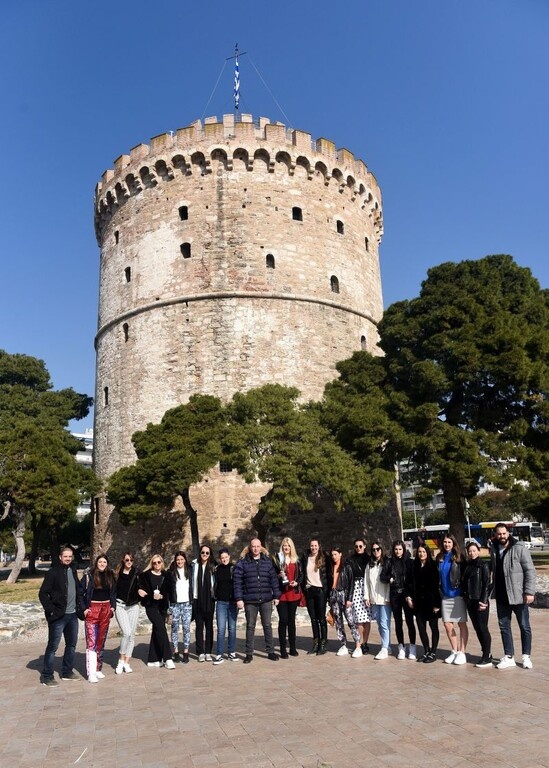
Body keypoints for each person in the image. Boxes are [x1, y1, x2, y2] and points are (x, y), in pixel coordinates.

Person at [490, 522, 536, 670]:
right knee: (504, 627)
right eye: (499, 534)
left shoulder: (519, 548)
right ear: (495, 534)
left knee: (524, 626)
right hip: (502, 596)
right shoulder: (494, 548)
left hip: (519, 595)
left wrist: (529, 592)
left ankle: (526, 656)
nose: (501, 536)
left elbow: (530, 570)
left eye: (504, 533)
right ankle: (509, 656)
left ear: (508, 533)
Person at [233, 537, 281, 663]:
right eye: (253, 546)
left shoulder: (267, 561)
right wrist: (239, 598)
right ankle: (249, 654)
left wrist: (276, 595)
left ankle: (270, 651)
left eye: (258, 546)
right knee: (250, 627)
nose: (255, 548)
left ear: (261, 547)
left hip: (265, 599)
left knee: (267, 625)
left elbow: (274, 580)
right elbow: (237, 582)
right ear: (250, 547)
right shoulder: (243, 562)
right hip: (250, 600)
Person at [38, 545, 80, 686]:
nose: (68, 558)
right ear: (60, 557)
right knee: (53, 647)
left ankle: (67, 672)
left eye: (70, 556)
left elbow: (77, 589)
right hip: (58, 616)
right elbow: (43, 593)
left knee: (71, 645)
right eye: (65, 556)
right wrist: (51, 610)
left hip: (72, 615)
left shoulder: (73, 570)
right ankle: (47, 676)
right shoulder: (53, 572)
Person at [79, 554, 116, 683]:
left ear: (107, 564)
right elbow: (80, 592)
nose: (102, 564)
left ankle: (98, 668)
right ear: (96, 563)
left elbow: (113, 593)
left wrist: (113, 607)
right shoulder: (88, 576)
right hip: (93, 609)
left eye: (104, 562)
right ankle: (91, 672)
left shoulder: (110, 576)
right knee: (92, 641)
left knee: (101, 639)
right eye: (100, 562)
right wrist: (84, 608)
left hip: (106, 608)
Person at [436, 534, 468, 665]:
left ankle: (462, 652)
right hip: (445, 596)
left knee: (461, 623)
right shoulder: (440, 558)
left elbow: (464, 575)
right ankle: (454, 651)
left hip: (457, 595)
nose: (447, 544)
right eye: (445, 542)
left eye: (449, 542)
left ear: (453, 543)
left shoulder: (459, 557)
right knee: (447, 624)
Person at [138, 555, 175, 669]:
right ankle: (168, 658)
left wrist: (163, 596)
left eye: (159, 562)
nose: (157, 564)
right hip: (151, 606)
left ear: (162, 562)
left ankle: (153, 659)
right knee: (161, 628)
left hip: (162, 606)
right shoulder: (145, 576)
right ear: (151, 564)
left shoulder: (167, 575)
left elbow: (171, 592)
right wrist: (149, 595)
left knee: (157, 630)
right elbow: (142, 592)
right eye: (154, 563)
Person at [405, 544, 440, 662]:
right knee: (421, 627)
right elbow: (408, 583)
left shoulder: (433, 565)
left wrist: (436, 604)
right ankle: (426, 650)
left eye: (424, 552)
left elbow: (435, 585)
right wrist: (408, 597)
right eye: (419, 552)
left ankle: (433, 652)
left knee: (433, 627)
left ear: (427, 552)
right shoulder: (413, 566)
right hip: (418, 602)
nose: (421, 554)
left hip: (431, 602)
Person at [462, 541, 492, 668]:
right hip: (470, 601)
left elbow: (487, 584)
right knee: (477, 628)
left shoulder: (483, 565)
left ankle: (487, 655)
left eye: (474, 551)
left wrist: (483, 601)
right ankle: (484, 653)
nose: (472, 553)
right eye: (469, 551)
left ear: (478, 551)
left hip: (480, 601)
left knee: (483, 627)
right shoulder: (468, 565)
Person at [329, 547, 362, 658]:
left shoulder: (347, 566)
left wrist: (349, 598)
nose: (334, 557)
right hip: (334, 595)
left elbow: (352, 583)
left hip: (344, 594)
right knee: (338, 621)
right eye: (332, 555)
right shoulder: (331, 566)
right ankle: (343, 644)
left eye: (336, 554)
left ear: (340, 554)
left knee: (351, 621)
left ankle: (358, 645)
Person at [386, 540, 416, 660]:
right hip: (395, 595)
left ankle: (412, 647)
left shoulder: (409, 562)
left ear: (403, 550)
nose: (398, 551)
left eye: (400, 549)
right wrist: (389, 579)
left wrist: (410, 595)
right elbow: (383, 576)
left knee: (410, 621)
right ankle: (401, 647)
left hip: (406, 594)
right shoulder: (390, 562)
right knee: (398, 622)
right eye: (396, 549)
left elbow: (412, 580)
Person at [300, 538, 330, 655]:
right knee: (313, 619)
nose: (313, 548)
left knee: (321, 619)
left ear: (319, 546)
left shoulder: (324, 557)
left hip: (320, 591)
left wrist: (327, 591)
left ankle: (323, 643)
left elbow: (328, 575)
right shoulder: (305, 557)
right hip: (309, 590)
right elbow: (302, 573)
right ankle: (316, 642)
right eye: (312, 546)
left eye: (315, 546)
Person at [363, 541, 392, 659]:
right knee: (380, 624)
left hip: (384, 598)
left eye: (378, 549)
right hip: (374, 599)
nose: (376, 551)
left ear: (382, 549)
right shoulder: (369, 565)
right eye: (374, 550)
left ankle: (384, 648)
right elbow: (366, 582)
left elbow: (390, 582)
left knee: (385, 623)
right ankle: (387, 645)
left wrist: (388, 597)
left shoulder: (387, 563)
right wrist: (366, 597)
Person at [113, 551, 141, 674]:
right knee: (126, 632)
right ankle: (120, 661)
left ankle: (126, 662)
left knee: (132, 635)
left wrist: (141, 591)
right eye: (127, 560)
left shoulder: (137, 573)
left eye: (131, 560)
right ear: (123, 561)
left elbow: (142, 584)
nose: (129, 562)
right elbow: (112, 589)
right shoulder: (117, 573)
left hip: (133, 606)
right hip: (120, 606)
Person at [276, 537, 302, 658]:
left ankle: (292, 647)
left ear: (291, 547)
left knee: (291, 621)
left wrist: (296, 582)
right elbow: (273, 576)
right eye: (284, 545)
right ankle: (282, 649)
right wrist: (278, 575)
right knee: (283, 621)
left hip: (293, 594)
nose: (286, 547)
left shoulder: (296, 560)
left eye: (288, 545)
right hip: (282, 595)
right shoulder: (278, 560)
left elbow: (301, 576)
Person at [213, 548, 240, 664]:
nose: (224, 559)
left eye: (226, 557)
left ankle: (231, 652)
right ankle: (219, 654)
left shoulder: (234, 568)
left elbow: (238, 583)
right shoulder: (217, 570)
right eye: (222, 557)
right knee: (221, 629)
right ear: (220, 559)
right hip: (221, 603)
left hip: (233, 602)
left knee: (232, 628)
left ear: (229, 556)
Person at [191, 544, 216, 662]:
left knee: (209, 627)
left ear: (210, 554)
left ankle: (208, 652)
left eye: (207, 553)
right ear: (200, 553)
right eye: (203, 552)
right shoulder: (194, 565)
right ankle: (200, 651)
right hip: (197, 599)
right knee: (199, 626)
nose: (205, 555)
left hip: (209, 600)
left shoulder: (213, 566)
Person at [167, 551, 192, 664]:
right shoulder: (171, 572)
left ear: (185, 560)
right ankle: (176, 651)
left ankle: (186, 652)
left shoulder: (190, 571)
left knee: (186, 628)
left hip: (187, 604)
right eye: (178, 560)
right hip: (175, 604)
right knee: (174, 628)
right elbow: (168, 590)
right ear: (175, 560)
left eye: (182, 559)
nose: (180, 561)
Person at [348, 538, 372, 655]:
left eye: (360, 546)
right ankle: (359, 642)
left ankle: (365, 643)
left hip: (367, 588)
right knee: (358, 619)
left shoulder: (369, 559)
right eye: (356, 546)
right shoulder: (351, 559)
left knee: (367, 618)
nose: (358, 548)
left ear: (365, 546)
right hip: (356, 588)